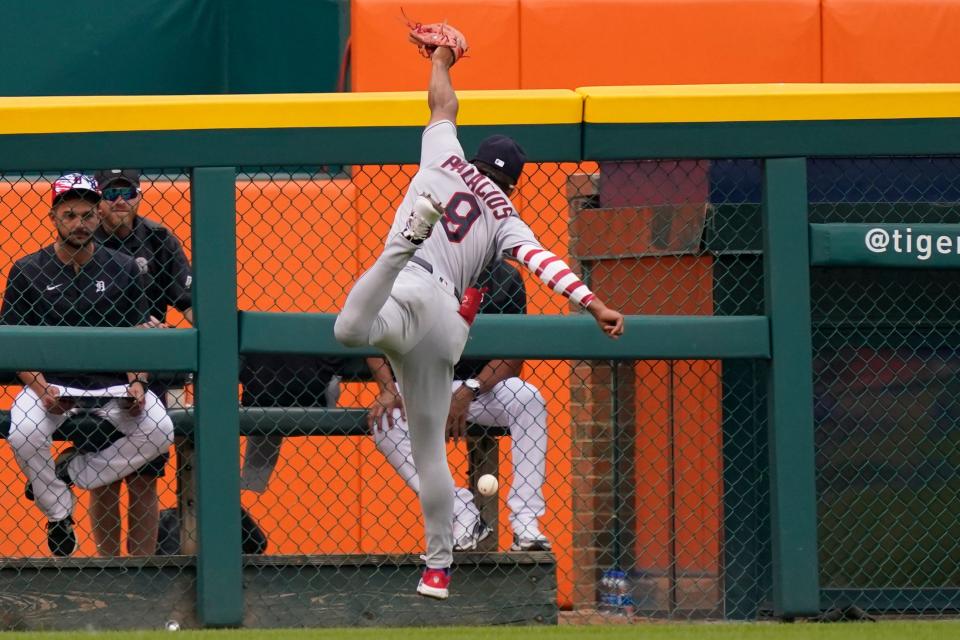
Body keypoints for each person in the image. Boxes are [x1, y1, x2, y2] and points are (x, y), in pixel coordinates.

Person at [333, 46, 624, 599]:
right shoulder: (506, 214)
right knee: (429, 452)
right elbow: (545, 264)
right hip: (444, 324)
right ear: (513, 182)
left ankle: (400, 245)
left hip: (411, 282)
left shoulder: (445, 157)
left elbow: (443, 104)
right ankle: (438, 568)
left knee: (349, 328)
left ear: (473, 158)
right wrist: (594, 304)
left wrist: (442, 57)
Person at [0, 173, 175, 557]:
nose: (80, 223)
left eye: (87, 215)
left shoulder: (126, 267)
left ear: (98, 217)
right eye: (71, 215)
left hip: (110, 385)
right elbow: (10, 345)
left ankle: (73, 472)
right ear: (54, 217)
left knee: (161, 430)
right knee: (23, 431)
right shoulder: (28, 270)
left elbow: (138, 332)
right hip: (53, 385)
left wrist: (138, 383)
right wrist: (43, 389)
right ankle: (59, 512)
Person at [370, 259, 552, 553]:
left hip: (482, 388)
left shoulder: (505, 276)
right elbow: (371, 329)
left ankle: (526, 523)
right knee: (386, 420)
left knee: (527, 397)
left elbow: (514, 355)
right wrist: (388, 389)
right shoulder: (411, 269)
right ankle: (462, 514)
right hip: (423, 385)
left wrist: (470, 390)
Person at [81, 168, 193, 556]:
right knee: (103, 479)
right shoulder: (84, 238)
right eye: (110, 193)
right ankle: (108, 568)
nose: (119, 201)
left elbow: (189, 303)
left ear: (139, 195)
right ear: (98, 200)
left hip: (148, 366)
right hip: (95, 371)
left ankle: (141, 571)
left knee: (145, 478)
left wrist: (195, 339)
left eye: (126, 191)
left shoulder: (158, 239)